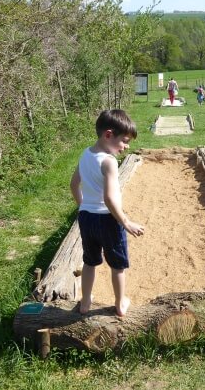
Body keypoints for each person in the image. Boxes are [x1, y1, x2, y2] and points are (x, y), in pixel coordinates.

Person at [70, 109, 145, 317]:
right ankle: (121, 304)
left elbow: (74, 184)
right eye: (125, 141)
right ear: (109, 135)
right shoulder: (109, 161)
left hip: (87, 218)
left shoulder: (85, 154)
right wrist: (126, 222)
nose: (126, 146)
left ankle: (85, 303)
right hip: (108, 220)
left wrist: (82, 206)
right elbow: (111, 199)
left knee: (89, 261)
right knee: (118, 265)